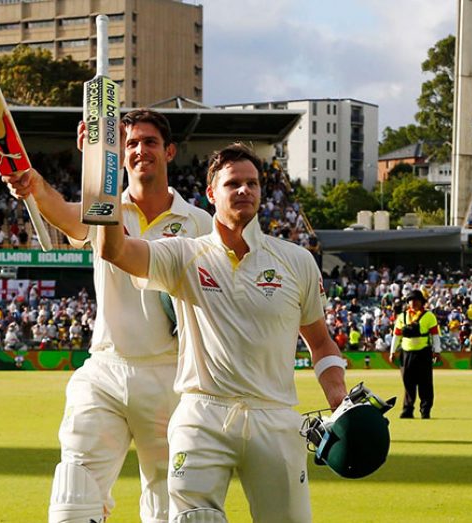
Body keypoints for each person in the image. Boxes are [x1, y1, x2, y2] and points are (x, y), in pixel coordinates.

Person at [95, 143, 347, 521]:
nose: (244, 190)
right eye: (233, 184)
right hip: (203, 415)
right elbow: (113, 250)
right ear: (212, 193)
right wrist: (102, 180)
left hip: (274, 417)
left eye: (252, 183)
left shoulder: (297, 261)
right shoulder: (183, 254)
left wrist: (339, 400)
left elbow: (321, 341)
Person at [2, 109, 212, 523]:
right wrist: (38, 183)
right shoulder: (104, 207)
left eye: (149, 142)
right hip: (106, 371)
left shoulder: (199, 222)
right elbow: (60, 210)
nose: (139, 150)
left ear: (169, 151)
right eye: (129, 143)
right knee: (73, 502)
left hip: (173, 378)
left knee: (174, 509)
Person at [388, 289, 441, 419]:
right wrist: (392, 351)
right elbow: (396, 335)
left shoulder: (429, 316)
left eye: (416, 300)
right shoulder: (402, 317)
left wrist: (437, 351)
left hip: (423, 352)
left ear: (421, 302)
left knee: (425, 383)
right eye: (410, 301)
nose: (413, 303)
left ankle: (425, 410)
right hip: (406, 352)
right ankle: (407, 409)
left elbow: (435, 335)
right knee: (408, 382)